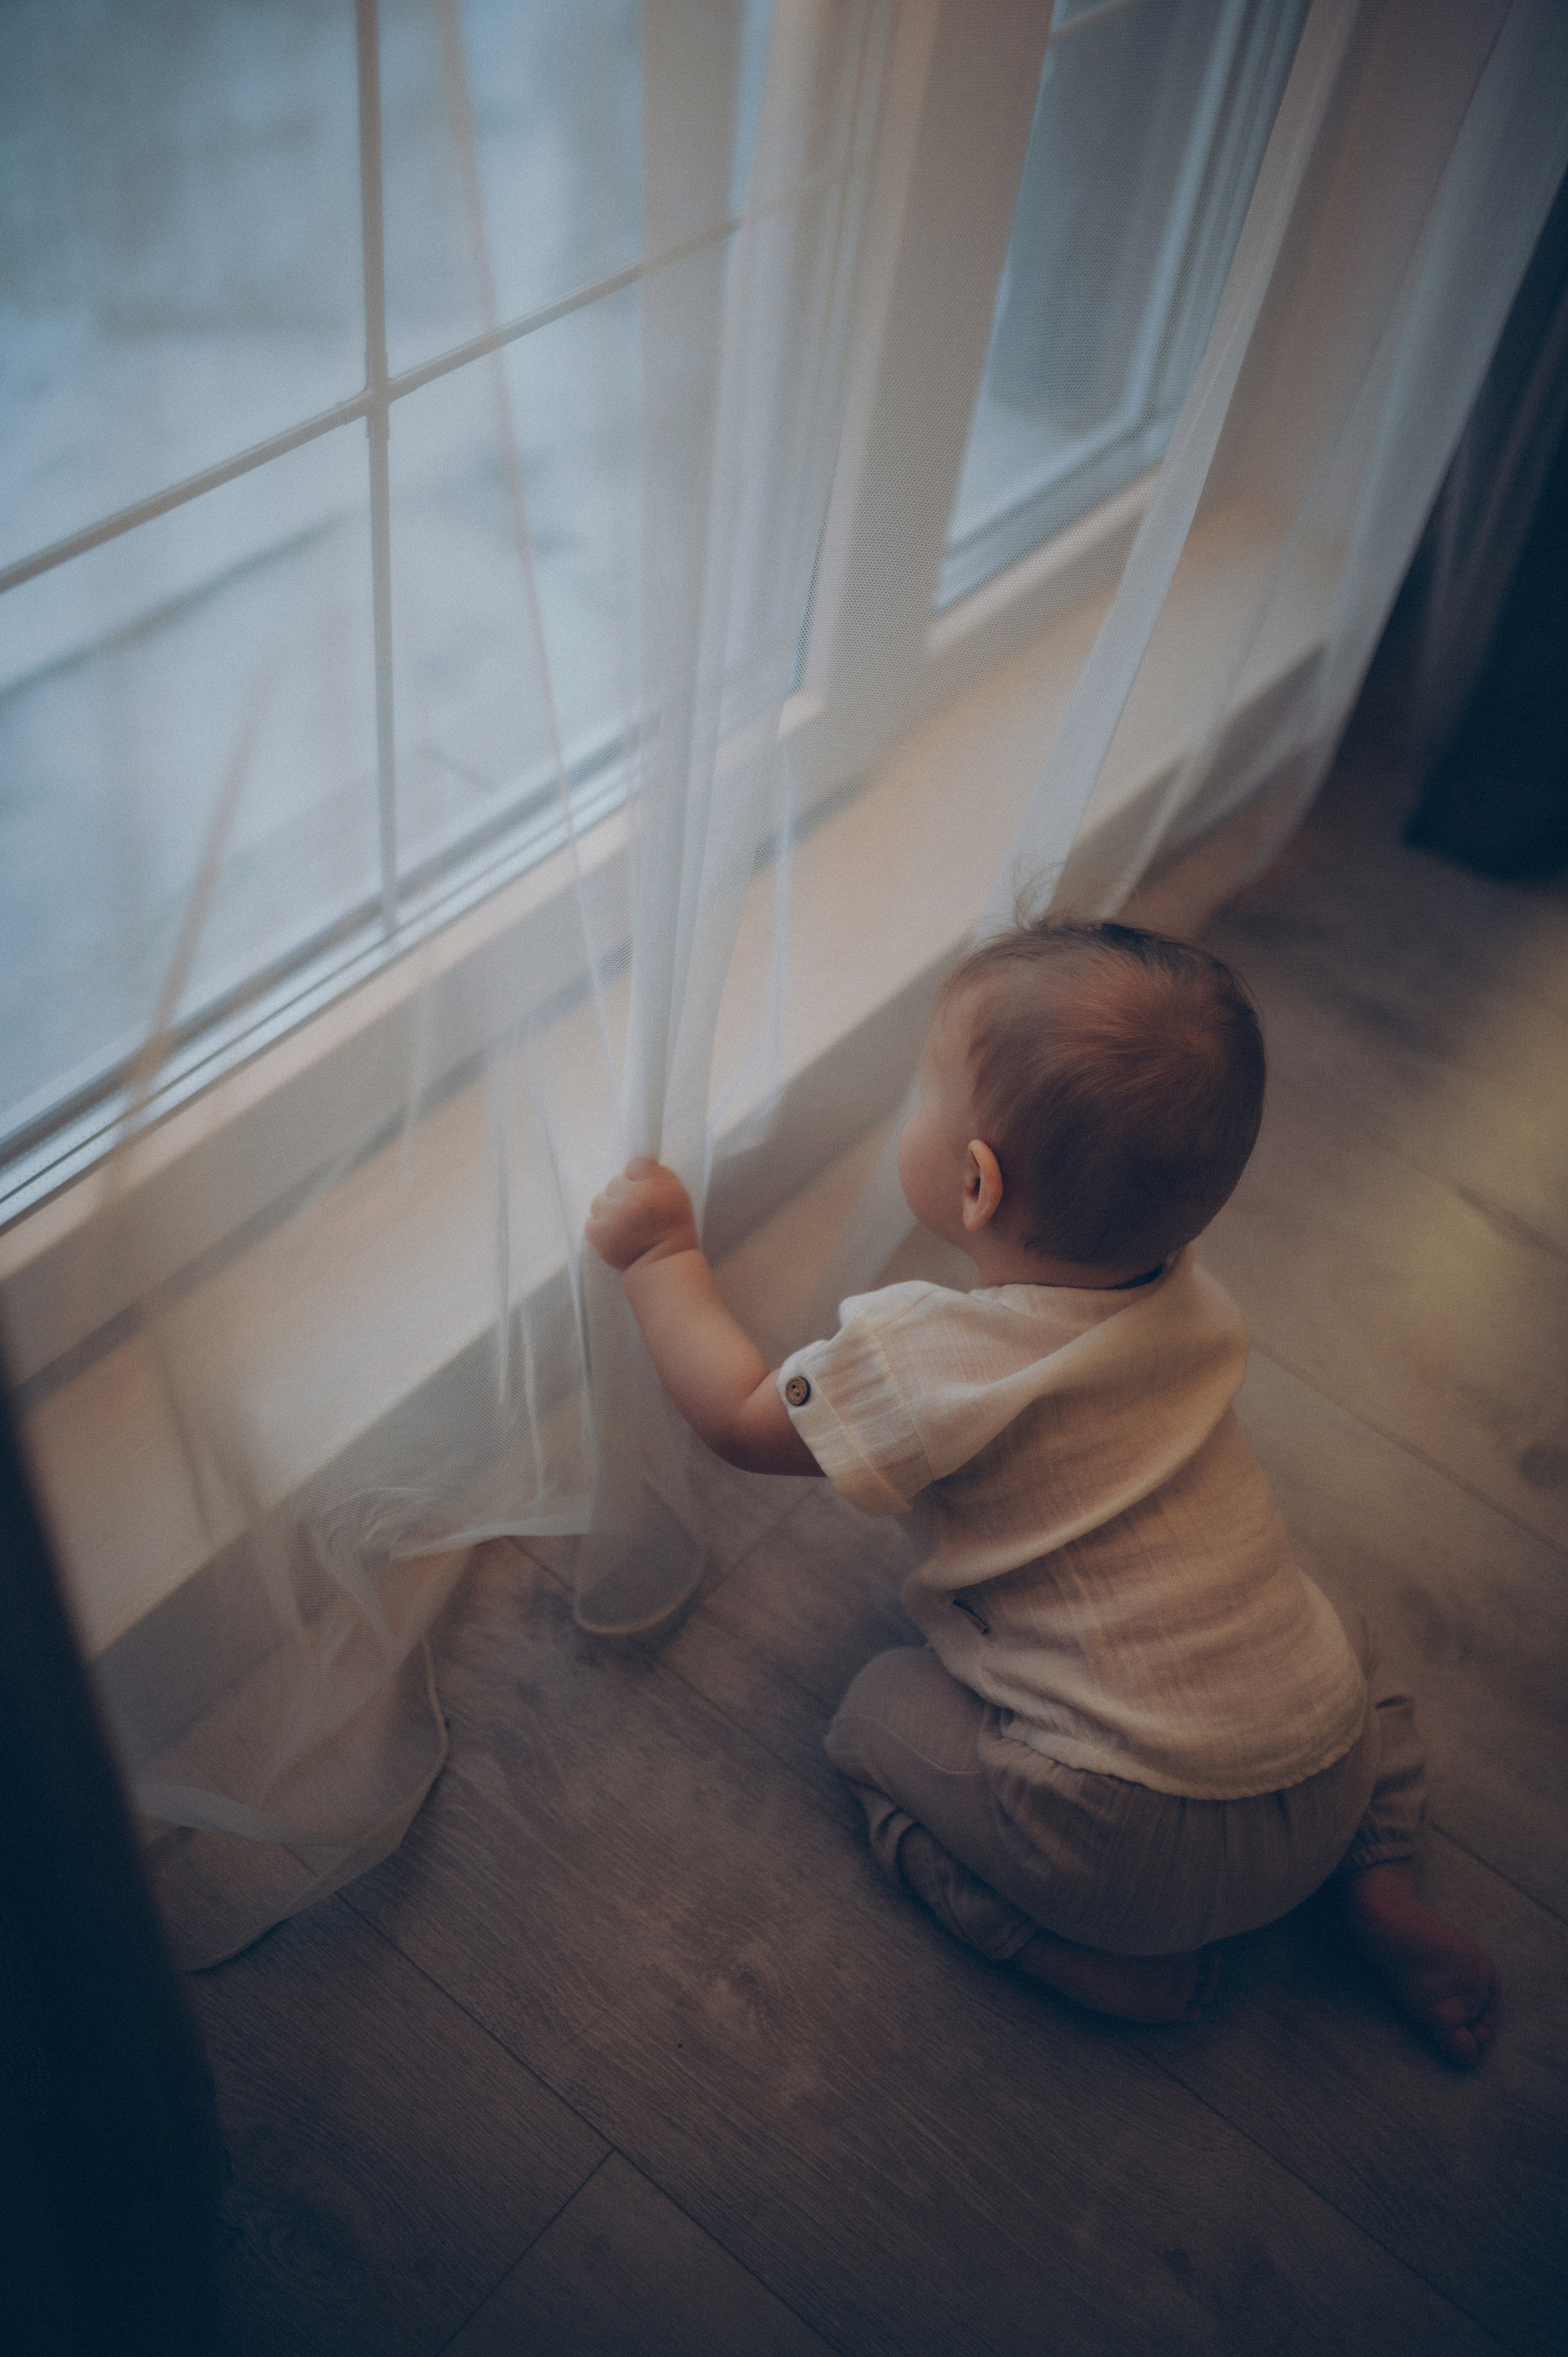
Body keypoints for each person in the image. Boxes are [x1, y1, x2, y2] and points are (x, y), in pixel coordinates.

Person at [586, 918, 1501, 2064]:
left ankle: (1058, 1951)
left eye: (926, 1089)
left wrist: (661, 1258)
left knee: (870, 1714)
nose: (910, 1107)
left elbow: (738, 1420)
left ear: (974, 1184)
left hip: (1115, 1837)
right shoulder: (1190, 1294)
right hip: (1323, 1768)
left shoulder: (925, 1361)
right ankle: (1380, 1880)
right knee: (1337, 1634)